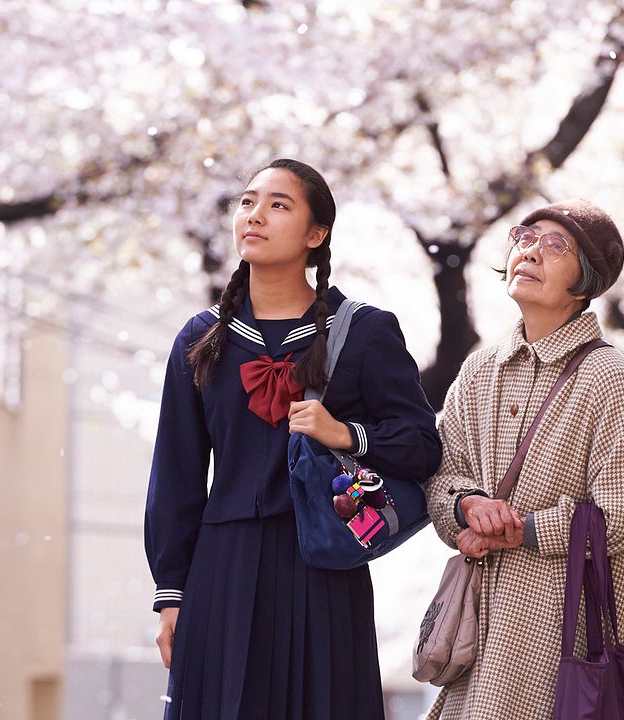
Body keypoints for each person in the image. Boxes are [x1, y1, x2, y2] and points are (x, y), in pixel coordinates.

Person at [144, 158, 441, 720]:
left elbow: (422, 445)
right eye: (247, 202)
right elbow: (176, 473)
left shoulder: (365, 331)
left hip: (324, 563)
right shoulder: (202, 337)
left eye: (278, 205)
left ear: (316, 234)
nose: (255, 216)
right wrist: (171, 593)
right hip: (221, 569)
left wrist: (346, 434)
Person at [424, 200, 624, 720]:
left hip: (566, 633)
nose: (531, 251)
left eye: (556, 245)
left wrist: (521, 529)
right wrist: (467, 506)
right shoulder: (478, 372)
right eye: (525, 237)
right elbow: (441, 476)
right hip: (483, 630)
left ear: (584, 283)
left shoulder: (606, 376)